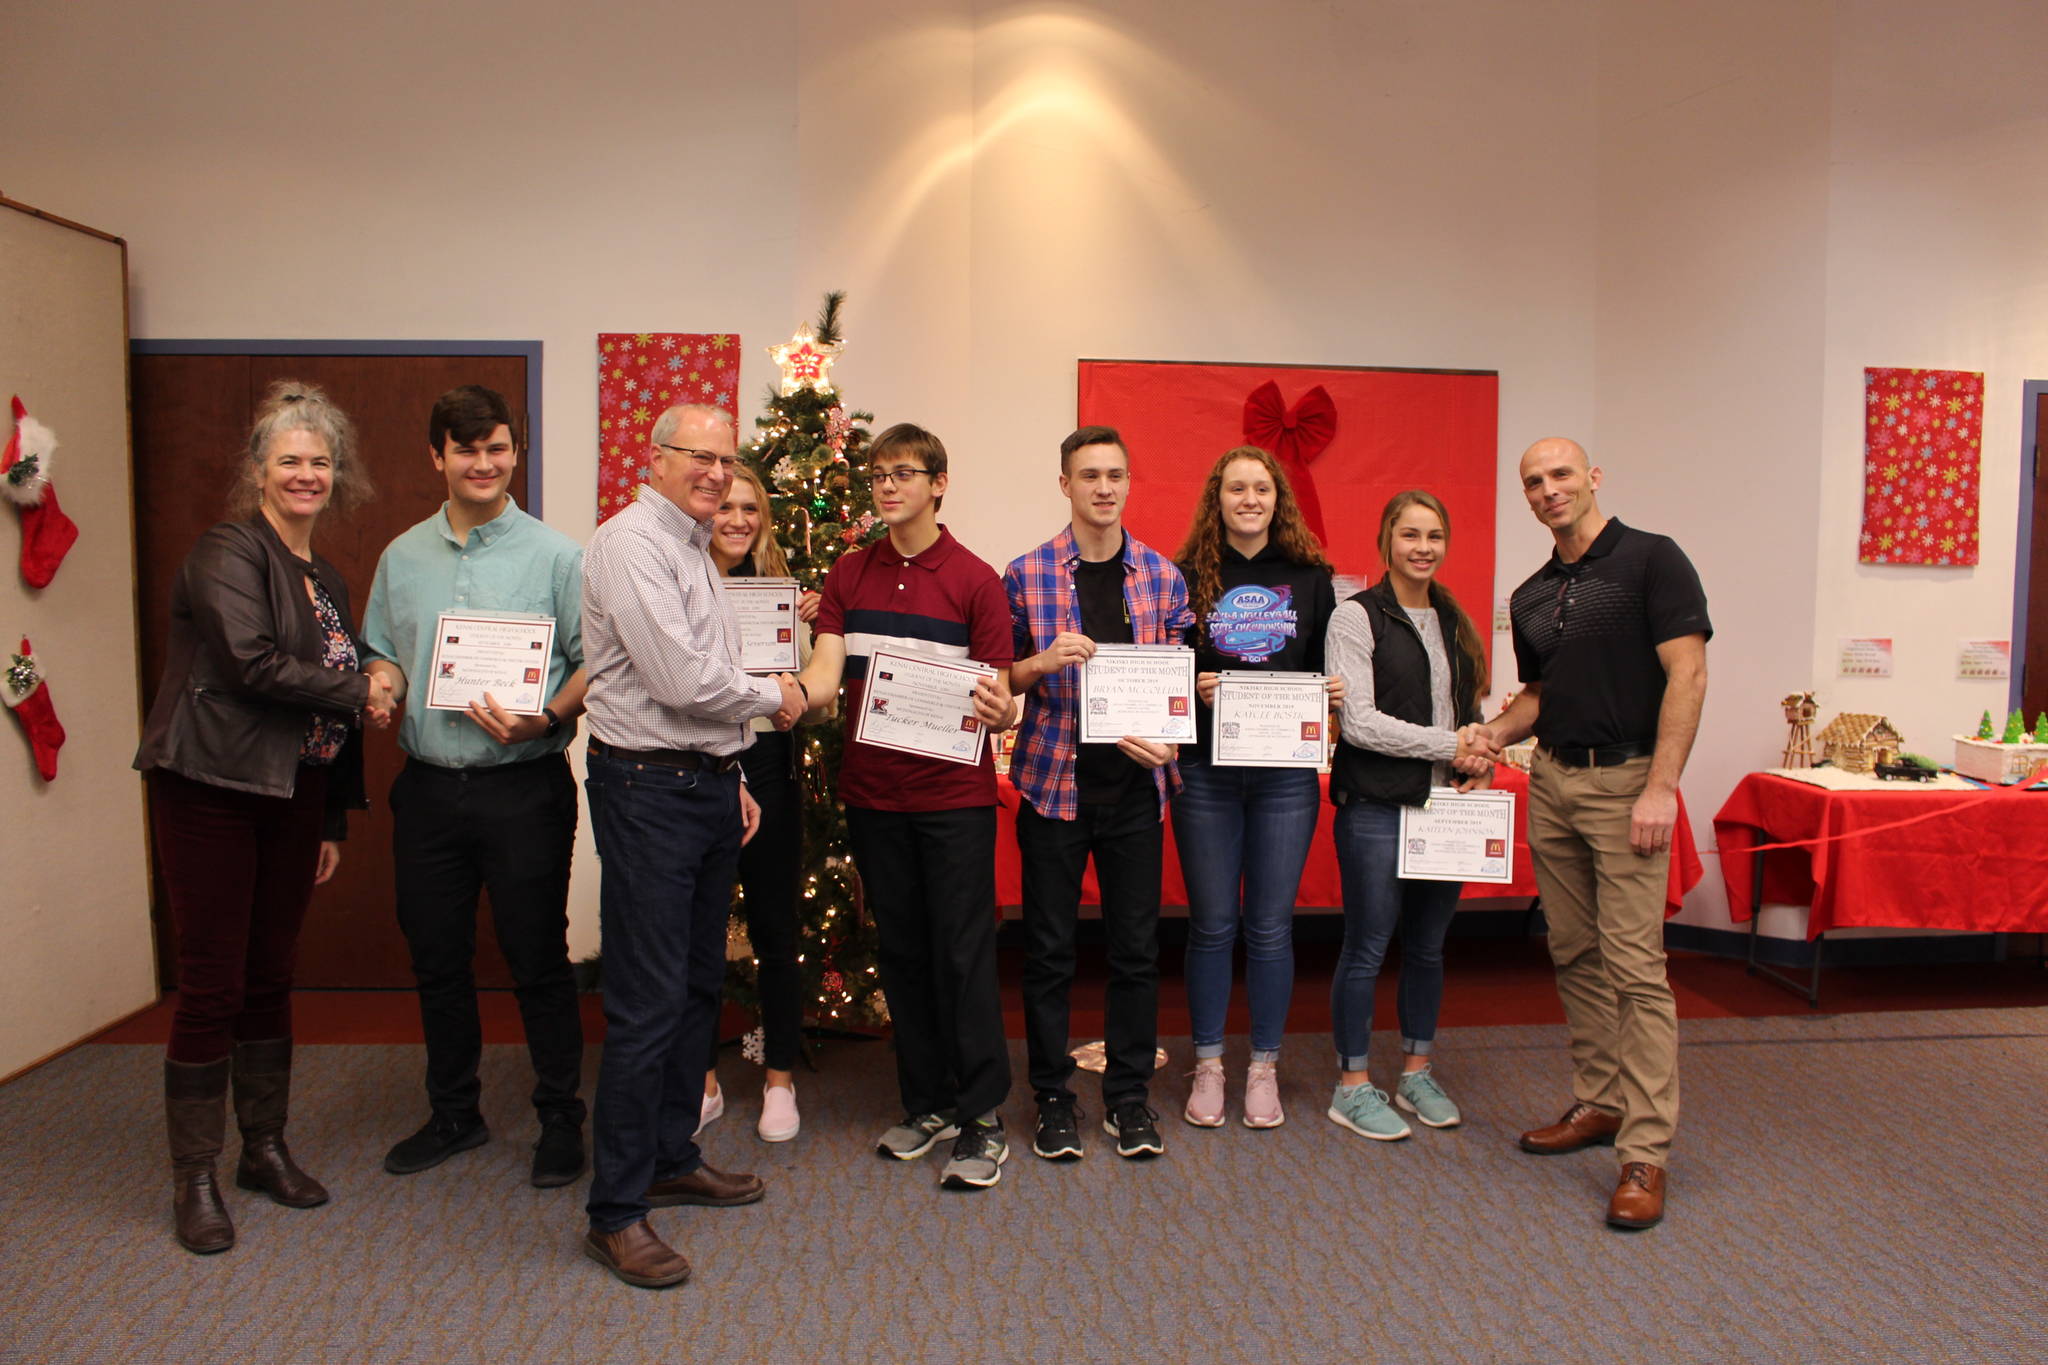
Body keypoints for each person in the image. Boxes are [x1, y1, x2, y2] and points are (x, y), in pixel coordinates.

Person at [134, 379, 390, 1253]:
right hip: (211, 784)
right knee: (214, 980)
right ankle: (195, 1175)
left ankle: (263, 1148)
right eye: (290, 460)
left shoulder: (329, 577)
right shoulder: (227, 550)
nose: (307, 474)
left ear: (338, 473)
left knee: (272, 971)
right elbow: (250, 665)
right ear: (258, 470)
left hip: (293, 795)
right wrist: (363, 682)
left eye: (321, 461)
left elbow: (333, 711)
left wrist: (330, 819)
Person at [578, 404, 805, 1288]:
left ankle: (671, 1154)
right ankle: (616, 1212)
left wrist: (736, 773)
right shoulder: (631, 544)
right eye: (697, 457)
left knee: (697, 984)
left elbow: (696, 667)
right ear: (658, 458)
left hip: (705, 785)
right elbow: (677, 678)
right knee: (645, 999)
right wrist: (772, 696)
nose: (714, 472)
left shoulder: (693, 543)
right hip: (648, 790)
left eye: (724, 457)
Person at [359, 386, 590, 1189]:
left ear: (514, 452)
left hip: (524, 787)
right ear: (438, 457)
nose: (483, 463)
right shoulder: (401, 556)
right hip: (427, 789)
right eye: (465, 450)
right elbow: (381, 646)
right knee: (437, 959)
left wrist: (547, 717)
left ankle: (562, 1116)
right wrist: (383, 679)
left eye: (496, 447)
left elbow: (594, 659)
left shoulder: (558, 556)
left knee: (537, 956)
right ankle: (454, 1112)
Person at [1478, 437, 1709, 1231]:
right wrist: (1489, 735)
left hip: (1628, 783)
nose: (1549, 490)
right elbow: (1539, 695)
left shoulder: (1652, 560)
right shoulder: (1532, 595)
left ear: (1593, 477)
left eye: (1561, 475)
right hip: (1554, 783)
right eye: (1534, 482)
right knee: (1573, 950)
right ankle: (1602, 1101)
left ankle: (1646, 1151)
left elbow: (1689, 672)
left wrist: (1661, 787)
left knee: (1636, 966)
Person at [795, 424, 1017, 1189]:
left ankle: (982, 1115)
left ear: (939, 483)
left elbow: (999, 696)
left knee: (963, 952)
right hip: (874, 795)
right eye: (878, 474)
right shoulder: (849, 574)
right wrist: (790, 694)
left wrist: (1001, 709)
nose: (888, 486)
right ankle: (927, 1102)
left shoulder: (977, 580)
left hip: (954, 798)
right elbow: (825, 670)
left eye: (904, 473)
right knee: (904, 953)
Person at [1005, 425, 1194, 1162]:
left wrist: (1173, 733)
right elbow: (1000, 678)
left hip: (1136, 792)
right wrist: (1039, 661)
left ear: (1128, 482)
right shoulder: (1024, 574)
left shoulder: (1161, 575)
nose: (1104, 487)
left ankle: (1126, 1097)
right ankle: (1052, 1094)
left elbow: (1177, 684)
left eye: (1116, 473)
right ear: (1065, 485)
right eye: (1089, 475)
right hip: (1053, 785)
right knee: (1049, 952)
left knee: (1135, 953)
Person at [1169, 445, 1342, 1129]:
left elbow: (1331, 667)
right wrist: (1193, 682)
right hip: (1206, 772)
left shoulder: (1312, 578)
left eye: (1261, 489)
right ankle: (1209, 1063)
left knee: (1270, 927)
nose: (1249, 499)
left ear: (1279, 499)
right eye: (1236, 488)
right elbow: (1160, 675)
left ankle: (1263, 1065)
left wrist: (1333, 690)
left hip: (1284, 778)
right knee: (1211, 926)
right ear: (1218, 497)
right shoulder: (1184, 578)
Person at [1321, 490, 1494, 1144]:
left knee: (1428, 945)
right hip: (1375, 805)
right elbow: (1359, 723)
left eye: (1434, 535)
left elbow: (1462, 711)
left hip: (1443, 808)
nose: (1423, 546)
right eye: (1410, 534)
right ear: (1386, 541)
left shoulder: (1452, 616)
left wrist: (1475, 751)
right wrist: (1450, 744)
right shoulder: (1354, 617)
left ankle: (1416, 1070)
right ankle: (1353, 1084)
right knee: (1367, 946)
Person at [699, 462, 821, 1144]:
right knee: (699, 939)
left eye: (751, 508)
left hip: (770, 772)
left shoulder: (781, 597)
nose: (738, 519)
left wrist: (806, 627)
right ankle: (703, 1080)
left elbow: (803, 705)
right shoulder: (679, 587)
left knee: (777, 933)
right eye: (726, 507)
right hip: (701, 774)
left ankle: (779, 1077)